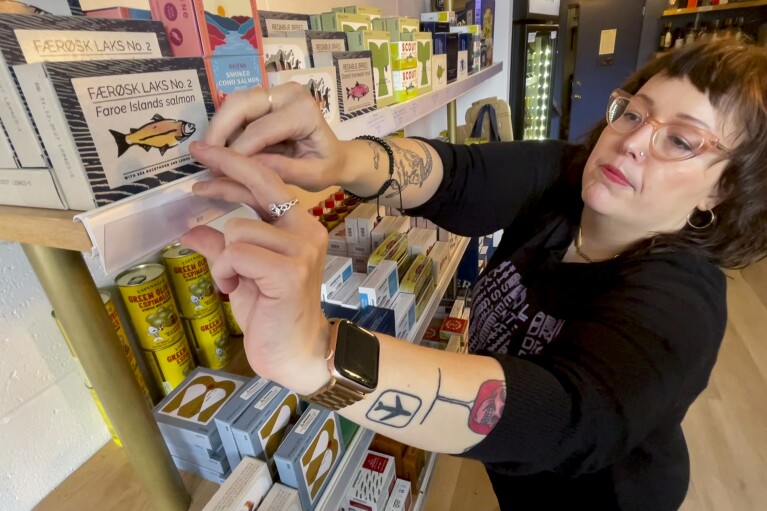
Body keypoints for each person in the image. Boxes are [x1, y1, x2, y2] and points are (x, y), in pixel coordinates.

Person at [181, 40, 767, 510]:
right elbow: (455, 174)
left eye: (682, 140)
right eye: (634, 112)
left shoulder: (685, 301)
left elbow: (562, 415)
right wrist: (339, 161)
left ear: (722, 189)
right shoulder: (565, 177)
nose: (633, 141)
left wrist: (316, 355)